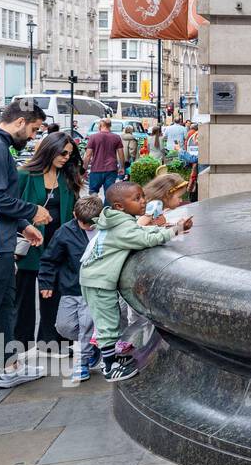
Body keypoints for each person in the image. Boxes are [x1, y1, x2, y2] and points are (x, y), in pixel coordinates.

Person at [79, 181, 192, 382]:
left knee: (111, 319)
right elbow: (145, 240)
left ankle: (112, 358)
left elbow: (141, 233)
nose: (143, 201)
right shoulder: (121, 225)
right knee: (108, 323)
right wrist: (175, 230)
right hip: (98, 281)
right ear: (119, 206)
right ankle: (109, 366)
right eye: (137, 198)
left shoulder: (119, 221)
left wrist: (171, 228)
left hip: (97, 278)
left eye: (142, 196)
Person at [0, 99, 50, 388]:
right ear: (20, 122)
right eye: (33, 129)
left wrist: (23, 225)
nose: (33, 136)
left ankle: (9, 368)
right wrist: (32, 211)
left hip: (0, 241)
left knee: (3, 307)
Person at [14, 132, 84, 358]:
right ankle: (18, 346)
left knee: (52, 293)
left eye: (70, 154)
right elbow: (10, 205)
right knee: (23, 296)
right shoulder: (25, 173)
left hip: (57, 245)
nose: (66, 158)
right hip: (28, 242)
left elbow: (73, 210)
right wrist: (25, 225)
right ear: (49, 149)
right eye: (62, 153)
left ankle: (51, 342)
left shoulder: (67, 176)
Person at [41, 195, 103, 382]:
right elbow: (50, 259)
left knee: (86, 325)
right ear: (74, 214)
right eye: (83, 223)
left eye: (92, 223)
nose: (88, 227)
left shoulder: (107, 230)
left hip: (94, 289)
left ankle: (81, 363)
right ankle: (95, 343)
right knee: (64, 327)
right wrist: (46, 282)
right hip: (70, 288)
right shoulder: (64, 232)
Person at [84, 118, 125, 196]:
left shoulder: (93, 137)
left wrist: (84, 169)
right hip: (111, 169)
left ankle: (95, 205)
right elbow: (121, 154)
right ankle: (106, 208)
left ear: (100, 125)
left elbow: (88, 155)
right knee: (109, 193)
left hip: (96, 169)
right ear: (110, 126)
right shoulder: (116, 137)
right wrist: (122, 167)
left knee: (93, 191)